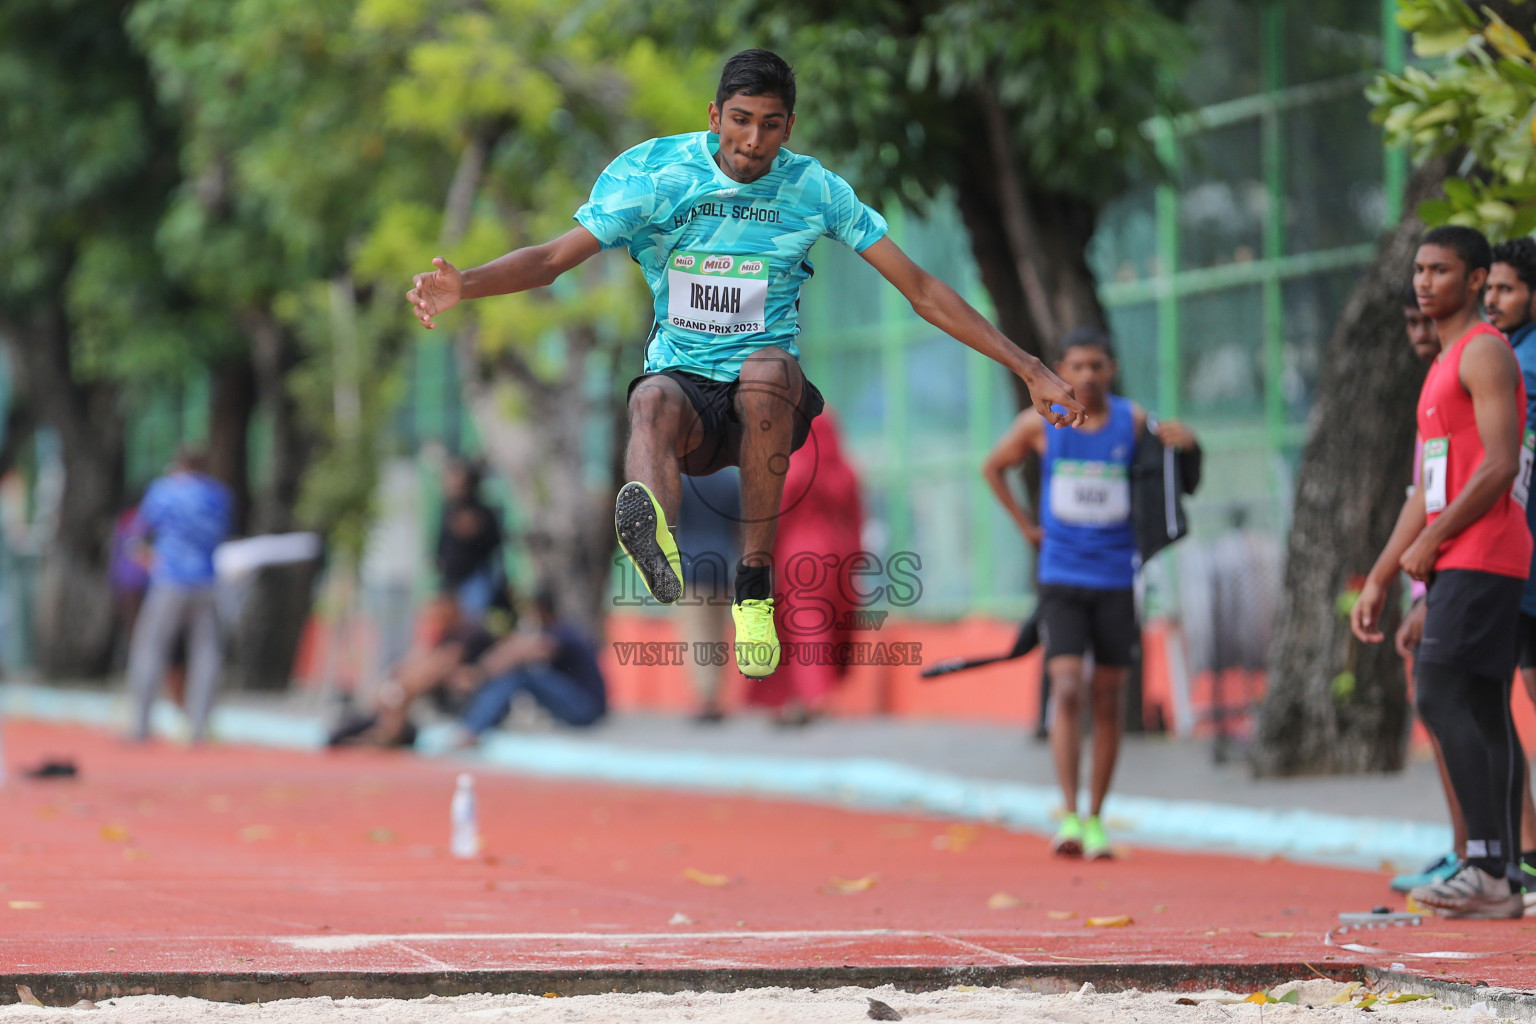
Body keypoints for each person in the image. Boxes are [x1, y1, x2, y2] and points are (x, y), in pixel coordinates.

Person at [407, 49, 1084, 681]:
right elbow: (553, 260)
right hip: (685, 395)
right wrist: (466, 283)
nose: (752, 142)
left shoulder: (814, 189)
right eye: (739, 122)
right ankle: (656, 542)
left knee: (765, 373)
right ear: (714, 117)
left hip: (764, 403)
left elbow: (923, 291)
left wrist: (1029, 367)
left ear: (789, 126)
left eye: (769, 126)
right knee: (648, 401)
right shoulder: (657, 176)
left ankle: (753, 586)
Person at [1352, 225, 1531, 919]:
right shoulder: (1441, 364)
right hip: (1457, 550)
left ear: (1479, 279)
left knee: (1441, 695)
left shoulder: (1484, 353)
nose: (1425, 282)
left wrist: (1434, 542)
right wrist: (1380, 573)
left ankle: (1487, 866)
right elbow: (1425, 489)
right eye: (1420, 270)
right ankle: (1500, 874)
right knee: (1481, 704)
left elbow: (1500, 462)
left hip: (1484, 552)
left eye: (1442, 270)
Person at [983, 328, 1197, 859]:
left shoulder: (1135, 421)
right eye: (1076, 366)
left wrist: (1188, 446)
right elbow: (992, 467)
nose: (1086, 376)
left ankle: (1097, 819)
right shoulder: (1041, 422)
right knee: (1068, 687)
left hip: (1118, 579)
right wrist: (1026, 526)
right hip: (1061, 576)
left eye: (1097, 366)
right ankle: (1069, 814)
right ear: (1060, 368)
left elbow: (1176, 475)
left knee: (1107, 699)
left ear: (1112, 370)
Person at [749, 410, 863, 725]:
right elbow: (857, 519)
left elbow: (775, 515)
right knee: (827, 622)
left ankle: (816, 696)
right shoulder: (847, 472)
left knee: (805, 624)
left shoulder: (793, 468)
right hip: (839, 555)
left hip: (800, 555)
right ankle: (812, 695)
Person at [125, 447, 233, 744]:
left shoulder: (164, 491)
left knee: (150, 648)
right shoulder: (218, 494)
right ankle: (199, 726)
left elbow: (138, 535)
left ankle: (141, 724)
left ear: (178, 465)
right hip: (208, 581)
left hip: (170, 579)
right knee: (207, 652)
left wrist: (147, 558)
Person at [454, 586, 607, 741]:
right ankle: (477, 723)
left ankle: (474, 728)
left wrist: (480, 672)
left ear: (539, 609)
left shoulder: (562, 633)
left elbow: (522, 652)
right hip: (584, 707)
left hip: (587, 709)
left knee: (520, 675)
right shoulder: (555, 631)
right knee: (516, 673)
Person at [675, 467, 742, 722]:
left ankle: (706, 698)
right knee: (717, 633)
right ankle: (715, 695)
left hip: (690, 563)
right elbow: (738, 524)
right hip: (722, 562)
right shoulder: (729, 479)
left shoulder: (684, 477)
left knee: (697, 633)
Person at [436, 458, 504, 624]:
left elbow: (491, 541)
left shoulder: (476, 511)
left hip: (473, 579)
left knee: (471, 625)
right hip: (453, 581)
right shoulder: (450, 508)